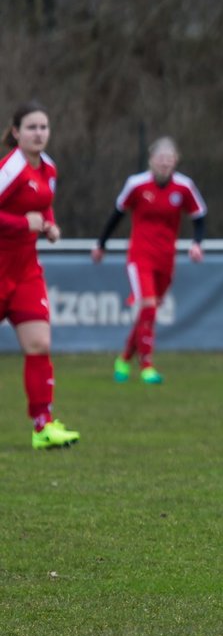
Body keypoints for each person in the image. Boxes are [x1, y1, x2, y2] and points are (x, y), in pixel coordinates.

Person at [93, 137, 208, 384]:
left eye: (170, 159)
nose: (165, 163)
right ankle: (147, 365)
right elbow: (117, 214)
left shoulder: (184, 187)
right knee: (148, 306)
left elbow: (199, 216)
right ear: (151, 160)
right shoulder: (136, 185)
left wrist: (197, 244)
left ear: (176, 160)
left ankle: (124, 358)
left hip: (166, 258)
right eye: (160, 158)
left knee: (149, 312)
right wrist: (101, 244)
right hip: (139, 256)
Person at [0, 102, 80, 449]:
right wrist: (22, 224)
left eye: (44, 127)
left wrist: (49, 224)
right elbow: (19, 217)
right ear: (16, 132)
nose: (39, 133)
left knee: (39, 344)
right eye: (31, 127)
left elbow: (44, 203)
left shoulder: (49, 168)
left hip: (26, 271)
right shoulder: (10, 167)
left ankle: (43, 426)